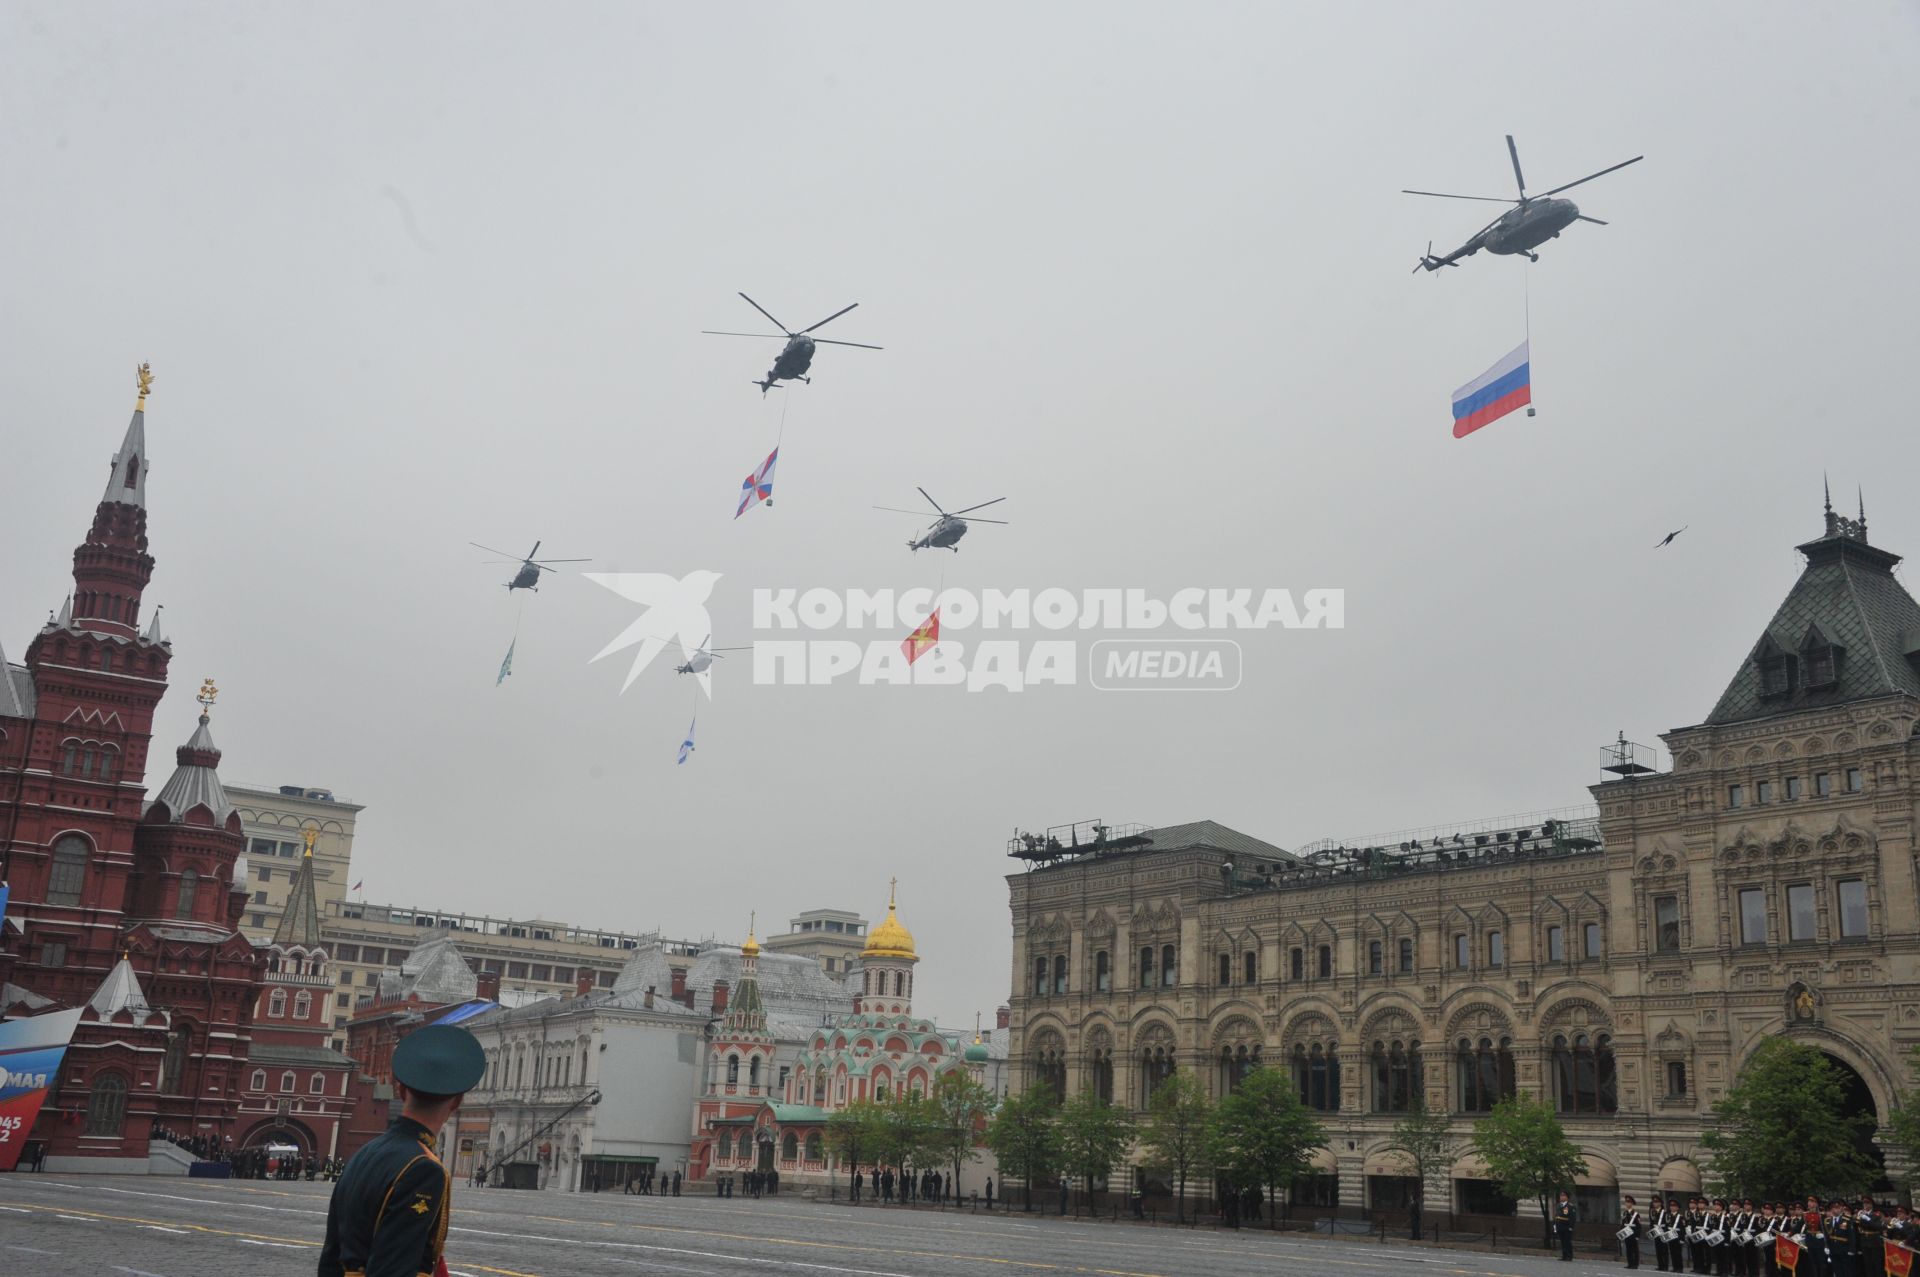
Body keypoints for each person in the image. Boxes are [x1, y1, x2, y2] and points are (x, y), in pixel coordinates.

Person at [319, 1023, 485, 1277]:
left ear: (401, 1090)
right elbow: (393, 1268)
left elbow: (331, 1255)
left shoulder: (365, 1153)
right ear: (457, 1101)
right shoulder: (423, 1169)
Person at [1555, 1190, 1578, 1262]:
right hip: (1560, 1226)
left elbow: (1572, 1218)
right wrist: (1555, 1226)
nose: (1561, 1197)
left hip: (1567, 1226)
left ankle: (1569, 1256)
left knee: (1567, 1242)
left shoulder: (1570, 1206)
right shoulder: (1559, 1205)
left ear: (1567, 1197)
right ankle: (1564, 1256)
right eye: (1561, 1195)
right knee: (1562, 1242)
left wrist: (1571, 1227)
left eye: (1563, 1195)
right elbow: (1557, 1216)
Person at [1621, 1195, 1644, 1270]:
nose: (1627, 1204)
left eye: (1629, 1202)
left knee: (1635, 1250)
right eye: (1626, 1202)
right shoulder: (1624, 1213)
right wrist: (1621, 1233)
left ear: (1632, 1203)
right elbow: (1623, 1224)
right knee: (1628, 1249)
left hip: (1633, 1234)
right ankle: (1630, 1263)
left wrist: (1637, 1236)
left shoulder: (1636, 1214)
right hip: (1626, 1233)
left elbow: (1638, 1226)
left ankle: (1635, 1264)